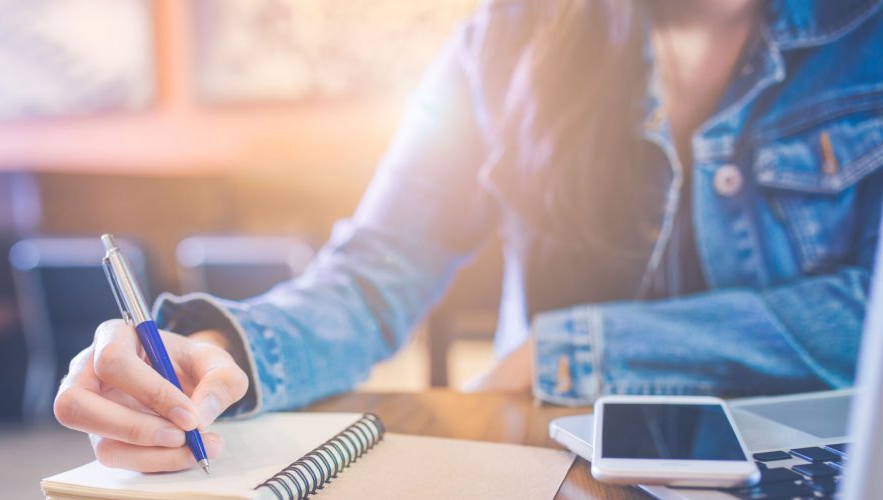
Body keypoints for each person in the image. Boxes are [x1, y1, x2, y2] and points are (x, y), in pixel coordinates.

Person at [54, 0, 882, 472]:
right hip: (563, 473)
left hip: (824, 468)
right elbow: (377, 270)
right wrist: (215, 348)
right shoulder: (506, 37)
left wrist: (575, 350)